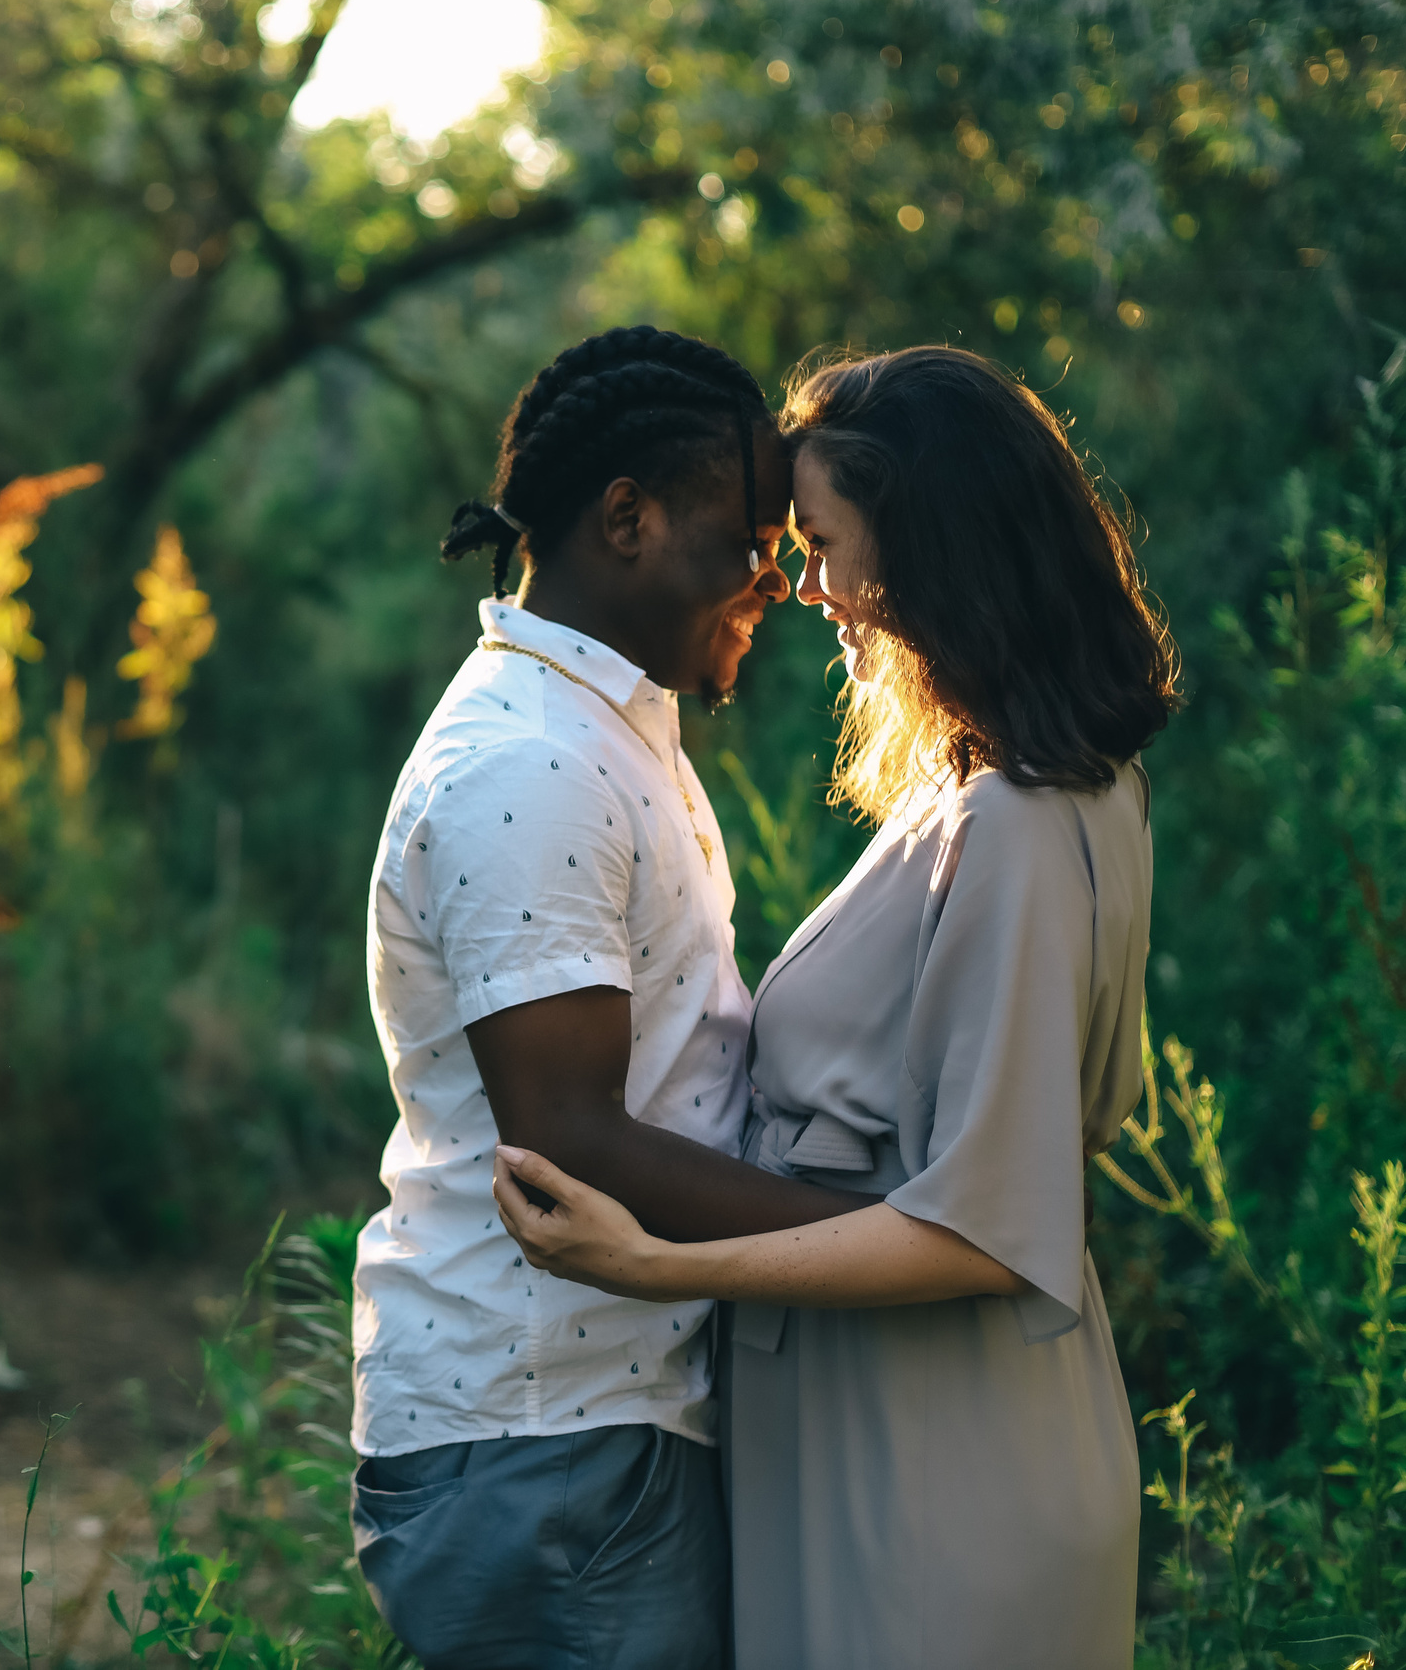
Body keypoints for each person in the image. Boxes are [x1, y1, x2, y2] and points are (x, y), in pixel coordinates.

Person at [494, 345, 1182, 1670]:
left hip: (937, 1461)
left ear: (928, 555)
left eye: (821, 547)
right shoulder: (1020, 790)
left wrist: (657, 1267)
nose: (803, 590)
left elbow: (985, 1228)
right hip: (896, 1428)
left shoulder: (1020, 822)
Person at [352, 326, 877, 1670]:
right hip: (548, 1447)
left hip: (597, 1424)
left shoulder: (600, 731)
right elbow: (567, 1138)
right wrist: (878, 1246)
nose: (776, 581)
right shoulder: (525, 762)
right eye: (750, 539)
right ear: (628, 519)